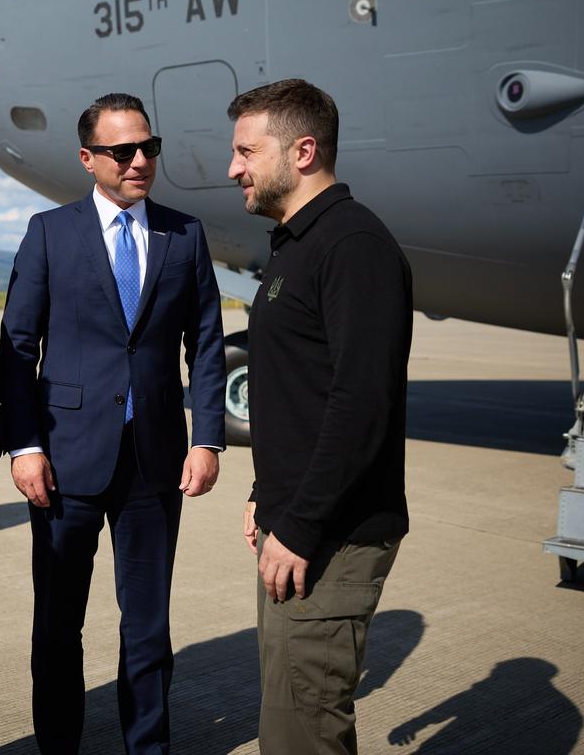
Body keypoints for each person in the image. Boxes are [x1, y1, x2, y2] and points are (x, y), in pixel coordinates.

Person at [1, 93, 226, 754]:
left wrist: (207, 435)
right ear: (87, 159)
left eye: (148, 149)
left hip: (155, 458)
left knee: (149, 627)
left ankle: (148, 749)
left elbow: (207, 341)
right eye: (123, 151)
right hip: (65, 459)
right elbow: (17, 347)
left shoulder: (184, 234)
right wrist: (24, 445)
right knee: (58, 623)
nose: (139, 162)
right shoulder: (50, 232)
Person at [227, 78, 412, 755]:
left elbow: (361, 404)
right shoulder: (295, 242)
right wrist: (264, 494)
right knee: (285, 723)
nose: (233, 168)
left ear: (302, 151)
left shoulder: (352, 246)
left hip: (328, 539)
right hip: (297, 526)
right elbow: (298, 391)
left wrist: (300, 525)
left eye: (247, 151)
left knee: (305, 731)